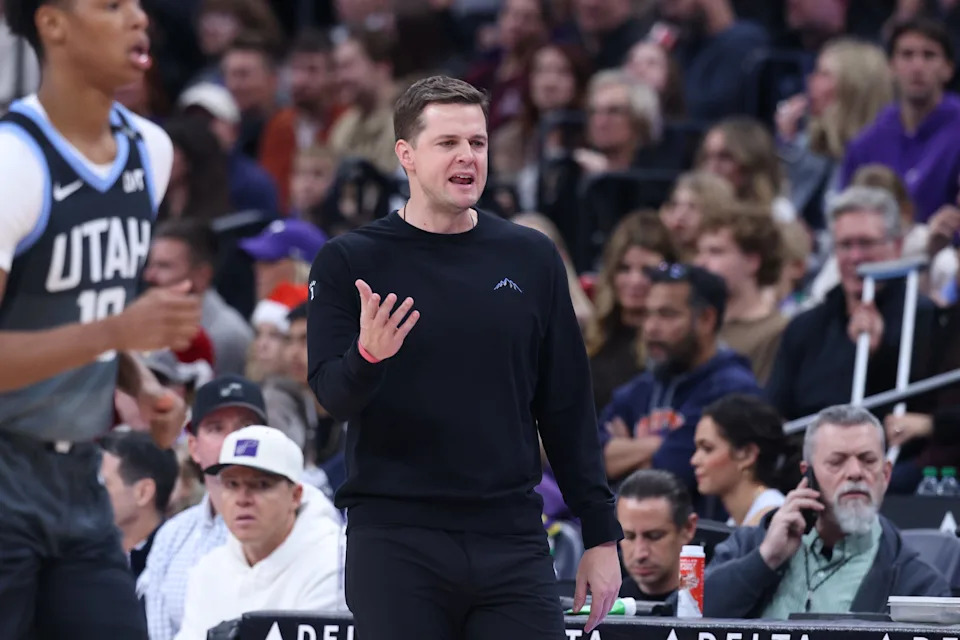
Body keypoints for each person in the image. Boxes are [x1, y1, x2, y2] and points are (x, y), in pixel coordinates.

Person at [307, 75, 622, 638]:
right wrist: (367, 358)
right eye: (447, 143)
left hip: (512, 536)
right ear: (405, 153)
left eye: (476, 143)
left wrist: (600, 536)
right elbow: (332, 398)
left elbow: (568, 407)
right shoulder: (349, 261)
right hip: (397, 540)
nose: (467, 157)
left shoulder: (531, 257)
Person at [0, 0, 202, 637]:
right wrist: (117, 333)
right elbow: (103, 324)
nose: (138, 18)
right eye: (112, 5)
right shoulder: (13, 163)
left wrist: (141, 387)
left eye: (138, 5)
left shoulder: (152, 151)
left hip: (82, 478)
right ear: (52, 24)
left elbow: (83, 312)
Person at [704, 404, 949, 619]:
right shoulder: (751, 543)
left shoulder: (917, 583)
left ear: (885, 474)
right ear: (807, 475)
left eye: (867, 460)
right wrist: (765, 559)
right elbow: (686, 616)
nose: (855, 472)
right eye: (837, 461)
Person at [598, 264, 760, 498]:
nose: (650, 328)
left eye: (667, 314)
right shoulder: (640, 389)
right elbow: (586, 462)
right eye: (647, 314)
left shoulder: (734, 391)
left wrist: (624, 453)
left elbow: (675, 473)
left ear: (706, 319)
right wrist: (657, 445)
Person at [175, 426, 346, 640]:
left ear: (295, 495)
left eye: (261, 485)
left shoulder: (334, 563)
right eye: (231, 484)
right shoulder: (207, 570)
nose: (242, 498)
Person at [139, 375, 268, 640]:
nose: (232, 439)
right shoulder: (172, 536)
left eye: (245, 426)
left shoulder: (297, 519)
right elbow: (157, 633)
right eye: (216, 428)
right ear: (194, 448)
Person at [841, 17, 960, 223]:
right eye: (907, 55)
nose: (917, 66)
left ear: (948, 68)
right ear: (891, 67)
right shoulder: (866, 142)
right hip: (877, 251)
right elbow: (844, 214)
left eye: (929, 55)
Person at [145, 219, 254, 377]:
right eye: (150, 265)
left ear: (202, 275)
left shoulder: (227, 335)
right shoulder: (144, 319)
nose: (150, 276)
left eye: (164, 266)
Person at [695, 203, 787, 384]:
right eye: (699, 252)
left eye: (716, 252)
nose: (700, 263)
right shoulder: (697, 325)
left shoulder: (778, 332)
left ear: (752, 262)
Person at [691, 394, 795, 527]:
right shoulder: (737, 520)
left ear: (747, 454)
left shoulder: (773, 521)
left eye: (707, 449)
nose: (694, 460)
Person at [100, 430, 180, 581]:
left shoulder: (177, 560)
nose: (91, 493)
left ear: (143, 492)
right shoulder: (88, 553)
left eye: (103, 484)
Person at [616, 469, 697, 604]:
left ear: (688, 528)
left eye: (654, 536)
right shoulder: (602, 604)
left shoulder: (719, 603)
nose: (640, 553)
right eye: (628, 536)